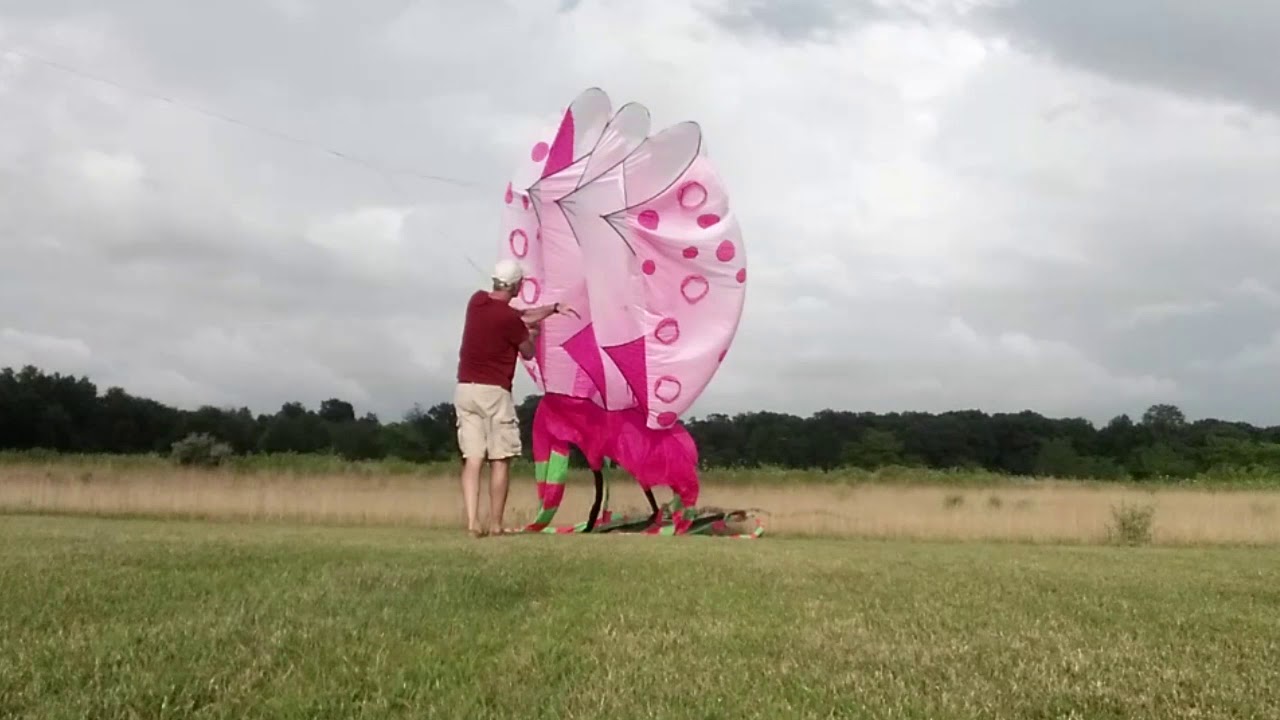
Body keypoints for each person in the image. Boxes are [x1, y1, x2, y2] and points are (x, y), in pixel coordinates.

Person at [454, 258, 569, 537]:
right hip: (494, 392)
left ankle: (473, 523)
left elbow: (521, 315)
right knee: (500, 458)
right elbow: (527, 351)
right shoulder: (509, 320)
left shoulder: (477, 301)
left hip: (465, 389)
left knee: (472, 458)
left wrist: (552, 309)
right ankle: (495, 524)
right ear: (516, 286)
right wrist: (534, 335)